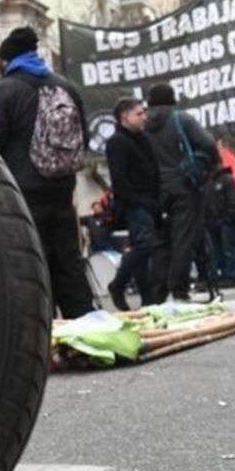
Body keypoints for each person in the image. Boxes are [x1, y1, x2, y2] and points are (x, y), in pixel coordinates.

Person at [0, 27, 95, 319]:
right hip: (61, 187)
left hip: (22, 191)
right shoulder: (66, 87)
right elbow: (85, 138)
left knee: (33, 259)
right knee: (68, 258)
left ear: (5, 62)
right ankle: (82, 322)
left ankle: (42, 326)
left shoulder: (3, 90)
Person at [142, 83, 218, 302]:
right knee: (183, 239)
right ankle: (179, 290)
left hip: (155, 190)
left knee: (161, 242)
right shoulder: (181, 119)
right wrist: (202, 165)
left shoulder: (143, 123)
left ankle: (158, 294)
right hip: (184, 186)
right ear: (172, 98)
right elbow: (208, 144)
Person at [104, 96, 159, 311]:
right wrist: (138, 201)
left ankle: (148, 298)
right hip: (135, 203)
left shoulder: (143, 139)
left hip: (149, 201)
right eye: (139, 113)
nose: (144, 117)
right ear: (124, 117)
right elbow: (120, 178)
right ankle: (118, 285)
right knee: (144, 246)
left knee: (142, 249)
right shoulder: (118, 142)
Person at [202, 164, 235, 287]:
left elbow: (234, 200)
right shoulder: (207, 182)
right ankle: (220, 275)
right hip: (211, 222)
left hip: (225, 222)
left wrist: (228, 218)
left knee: (228, 250)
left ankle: (230, 276)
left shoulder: (226, 180)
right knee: (215, 252)